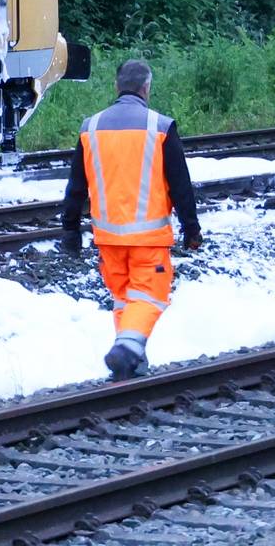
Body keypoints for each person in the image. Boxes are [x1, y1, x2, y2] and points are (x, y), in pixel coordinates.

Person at [59, 57, 203, 380]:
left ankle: (133, 361)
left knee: (125, 298)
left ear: (116, 86)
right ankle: (126, 350)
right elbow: (181, 186)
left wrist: (70, 231)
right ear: (146, 88)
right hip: (147, 240)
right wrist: (191, 229)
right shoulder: (160, 127)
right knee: (150, 294)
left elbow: (75, 188)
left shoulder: (90, 128)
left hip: (108, 240)